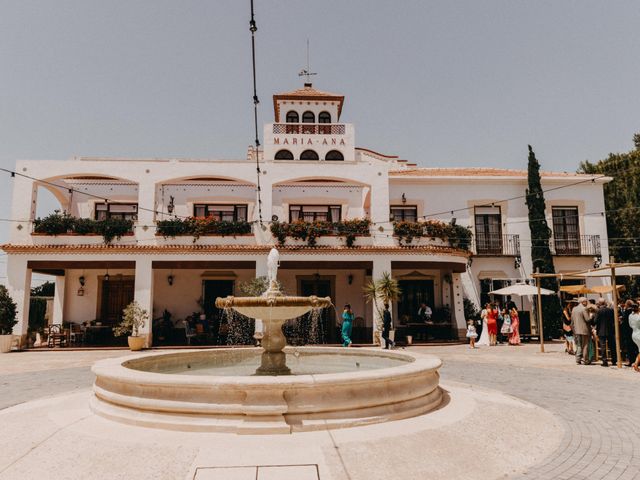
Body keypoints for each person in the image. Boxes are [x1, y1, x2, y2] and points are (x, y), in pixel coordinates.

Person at [594, 299, 616, 367]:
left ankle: (605, 362)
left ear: (600, 303)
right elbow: (613, 319)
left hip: (601, 331)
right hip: (610, 330)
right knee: (612, 346)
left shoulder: (598, 311)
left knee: (603, 347)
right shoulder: (611, 310)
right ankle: (614, 360)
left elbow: (595, 321)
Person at [571, 297, 592, 365]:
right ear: (583, 302)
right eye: (586, 301)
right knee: (585, 345)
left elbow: (572, 320)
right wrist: (591, 316)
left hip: (576, 330)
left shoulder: (574, 309)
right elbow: (587, 319)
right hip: (584, 330)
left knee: (579, 345)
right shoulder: (584, 309)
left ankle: (578, 359)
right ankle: (585, 360)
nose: (587, 303)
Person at [621, 300, 638, 367]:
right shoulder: (634, 311)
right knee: (635, 347)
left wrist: (621, 321)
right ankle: (637, 361)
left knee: (630, 347)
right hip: (635, 331)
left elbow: (626, 323)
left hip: (628, 332)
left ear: (627, 305)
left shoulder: (627, 312)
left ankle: (631, 361)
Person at [628, 303, 640, 372]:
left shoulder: (630, 316)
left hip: (634, 334)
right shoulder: (639, 317)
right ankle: (636, 364)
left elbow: (630, 325)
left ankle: (635, 364)